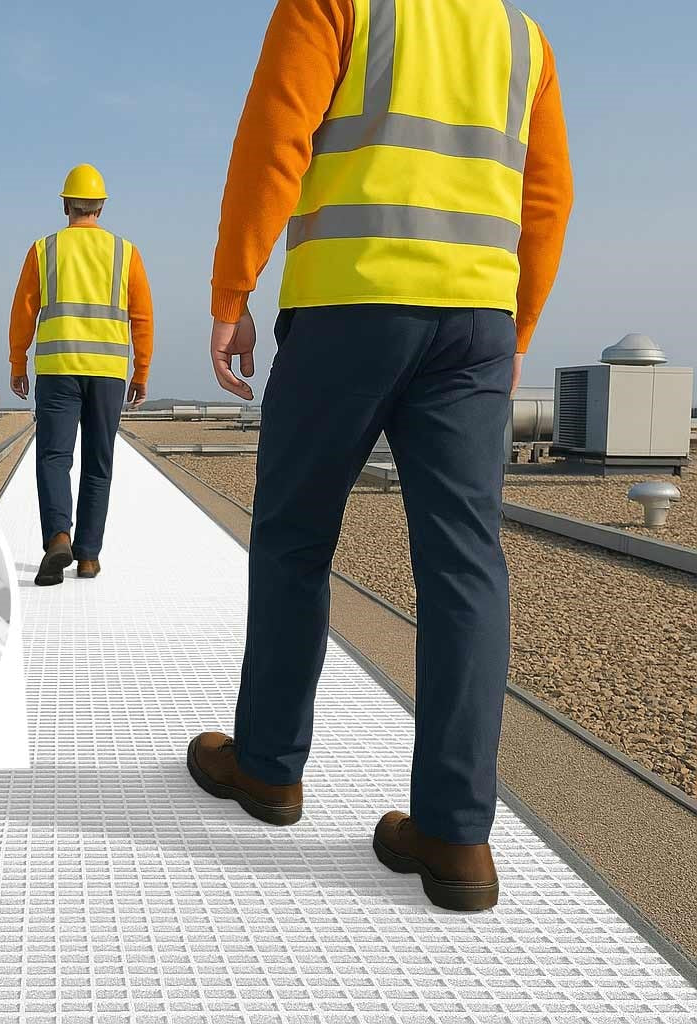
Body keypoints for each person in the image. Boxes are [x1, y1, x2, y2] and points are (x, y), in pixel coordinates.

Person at [188, 0, 573, 911]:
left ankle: (269, 768)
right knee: (466, 567)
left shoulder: (335, 5)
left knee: (294, 540)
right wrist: (517, 327)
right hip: (475, 325)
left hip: (347, 307)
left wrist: (233, 290)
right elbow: (547, 197)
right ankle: (456, 836)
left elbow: (273, 143)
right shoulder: (522, 38)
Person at [9, 164, 154, 585]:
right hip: (108, 373)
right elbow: (142, 316)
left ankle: (59, 535)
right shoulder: (125, 252)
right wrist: (141, 370)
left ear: (65, 205)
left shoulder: (44, 249)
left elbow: (23, 311)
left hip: (58, 370)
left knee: (54, 457)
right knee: (98, 463)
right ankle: (88, 557)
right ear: (101, 206)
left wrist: (18, 361)